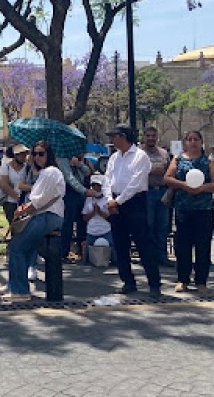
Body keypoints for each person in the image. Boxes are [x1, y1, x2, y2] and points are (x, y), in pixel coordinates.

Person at [1, 140, 65, 302]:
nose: (36, 157)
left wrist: (23, 210)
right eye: (34, 154)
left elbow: (38, 200)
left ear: (48, 155)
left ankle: (20, 290)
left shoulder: (50, 172)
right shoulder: (45, 172)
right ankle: (14, 284)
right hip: (47, 215)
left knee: (17, 246)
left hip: (47, 216)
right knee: (26, 247)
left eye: (41, 154)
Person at [103, 123, 161, 298]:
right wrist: (109, 199)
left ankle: (154, 282)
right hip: (115, 200)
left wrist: (118, 202)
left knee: (143, 243)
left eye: (114, 136)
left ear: (123, 136)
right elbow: (107, 179)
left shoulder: (140, 156)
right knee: (120, 244)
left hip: (134, 202)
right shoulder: (114, 157)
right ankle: (128, 280)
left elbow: (135, 184)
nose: (112, 140)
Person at [164, 130, 214, 294]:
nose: (193, 142)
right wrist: (183, 185)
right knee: (183, 246)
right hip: (183, 208)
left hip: (204, 208)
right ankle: (183, 279)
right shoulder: (178, 159)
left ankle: (201, 281)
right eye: (189, 139)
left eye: (196, 139)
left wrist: (203, 188)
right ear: (185, 143)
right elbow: (167, 178)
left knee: (203, 245)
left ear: (201, 142)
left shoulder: (209, 161)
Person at [140, 126, 172, 267]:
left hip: (162, 193)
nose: (151, 138)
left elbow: (170, 170)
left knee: (162, 226)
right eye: (148, 136)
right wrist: (151, 170)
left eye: (153, 135)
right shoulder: (139, 153)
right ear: (144, 137)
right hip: (146, 193)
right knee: (148, 225)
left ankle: (162, 256)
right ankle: (148, 257)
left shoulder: (164, 153)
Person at [58, 153, 96, 262]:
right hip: (69, 191)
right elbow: (69, 178)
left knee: (82, 221)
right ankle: (64, 252)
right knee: (67, 223)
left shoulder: (82, 160)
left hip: (81, 192)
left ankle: (82, 251)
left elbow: (88, 172)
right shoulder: (62, 158)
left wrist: (79, 164)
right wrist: (84, 190)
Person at [81, 175, 116, 266]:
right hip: (92, 232)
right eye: (93, 185)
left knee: (115, 259)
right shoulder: (89, 199)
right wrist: (93, 212)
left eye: (98, 185)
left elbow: (111, 217)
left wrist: (100, 212)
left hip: (106, 231)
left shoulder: (107, 199)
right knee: (87, 260)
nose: (96, 188)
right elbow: (84, 217)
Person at [0, 144, 29, 224]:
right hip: (10, 202)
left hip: (26, 202)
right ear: (15, 155)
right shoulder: (6, 166)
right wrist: (16, 196)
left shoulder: (28, 166)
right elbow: (3, 184)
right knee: (14, 226)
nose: (24, 156)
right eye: (21, 153)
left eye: (25, 153)